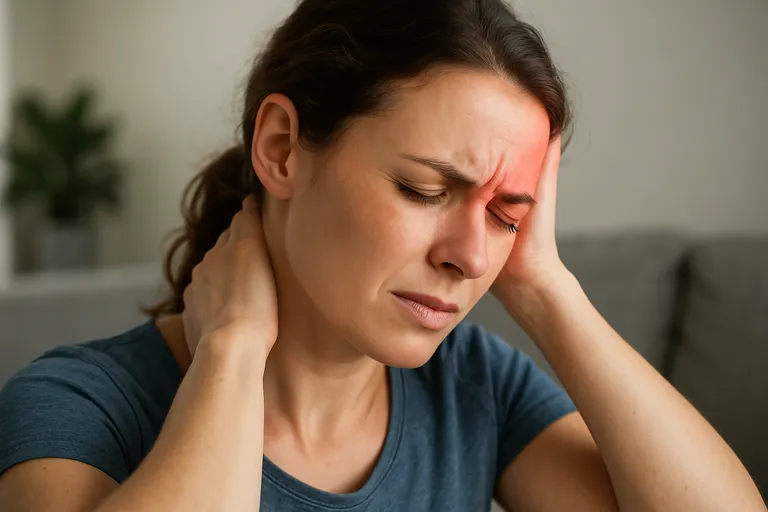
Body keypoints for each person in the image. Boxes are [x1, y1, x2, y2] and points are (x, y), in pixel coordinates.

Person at [0, 0, 765, 510]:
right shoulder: (74, 405)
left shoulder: (476, 389)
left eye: (504, 213)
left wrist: (544, 284)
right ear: (282, 148)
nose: (470, 256)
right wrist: (231, 356)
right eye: (425, 189)